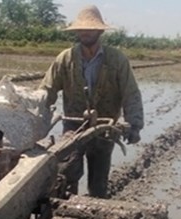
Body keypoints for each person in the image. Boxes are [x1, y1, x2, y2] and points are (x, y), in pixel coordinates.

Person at [39, 4, 143, 198]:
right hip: (73, 127)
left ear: (99, 31)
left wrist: (134, 125)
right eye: (81, 29)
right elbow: (47, 90)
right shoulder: (66, 59)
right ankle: (63, 217)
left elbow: (131, 93)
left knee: (98, 182)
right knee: (66, 174)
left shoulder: (117, 60)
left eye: (90, 28)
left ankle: (94, 218)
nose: (85, 32)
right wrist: (34, 118)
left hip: (104, 128)